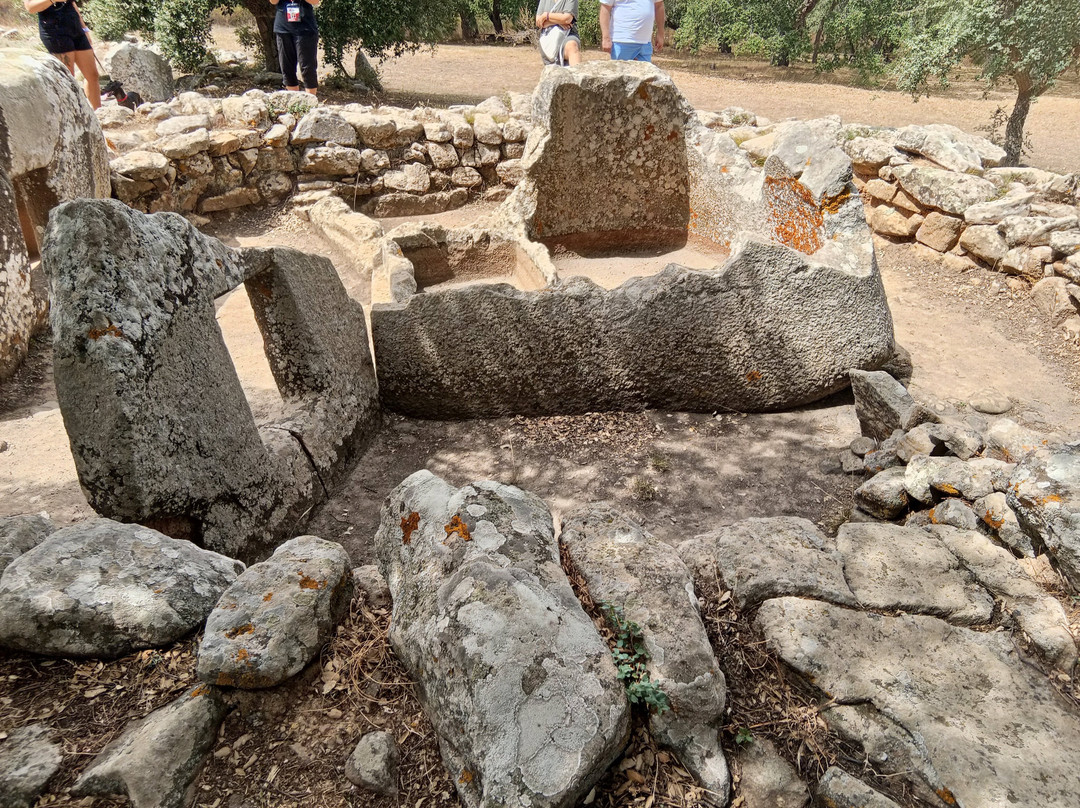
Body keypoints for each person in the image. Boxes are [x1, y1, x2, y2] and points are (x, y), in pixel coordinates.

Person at [23, 0, 100, 108]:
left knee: (92, 75)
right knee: (68, 78)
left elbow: (72, 4)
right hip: (54, 30)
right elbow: (30, 7)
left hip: (75, 26)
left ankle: (98, 114)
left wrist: (85, 29)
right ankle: (74, 116)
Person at [269, 0, 320, 96]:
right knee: (286, 68)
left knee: (307, 68)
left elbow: (316, 1)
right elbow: (273, 1)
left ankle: (310, 103)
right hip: (283, 28)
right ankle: (294, 103)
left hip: (305, 29)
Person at [599, 0, 665, 63]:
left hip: (645, 43)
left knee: (644, 74)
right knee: (621, 73)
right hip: (622, 42)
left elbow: (659, 6)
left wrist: (660, 34)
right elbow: (605, 8)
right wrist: (606, 38)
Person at [535, 0, 581, 67]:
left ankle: (578, 75)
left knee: (572, 47)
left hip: (567, 35)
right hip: (548, 39)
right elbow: (539, 21)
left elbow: (567, 19)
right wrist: (559, 21)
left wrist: (546, 16)